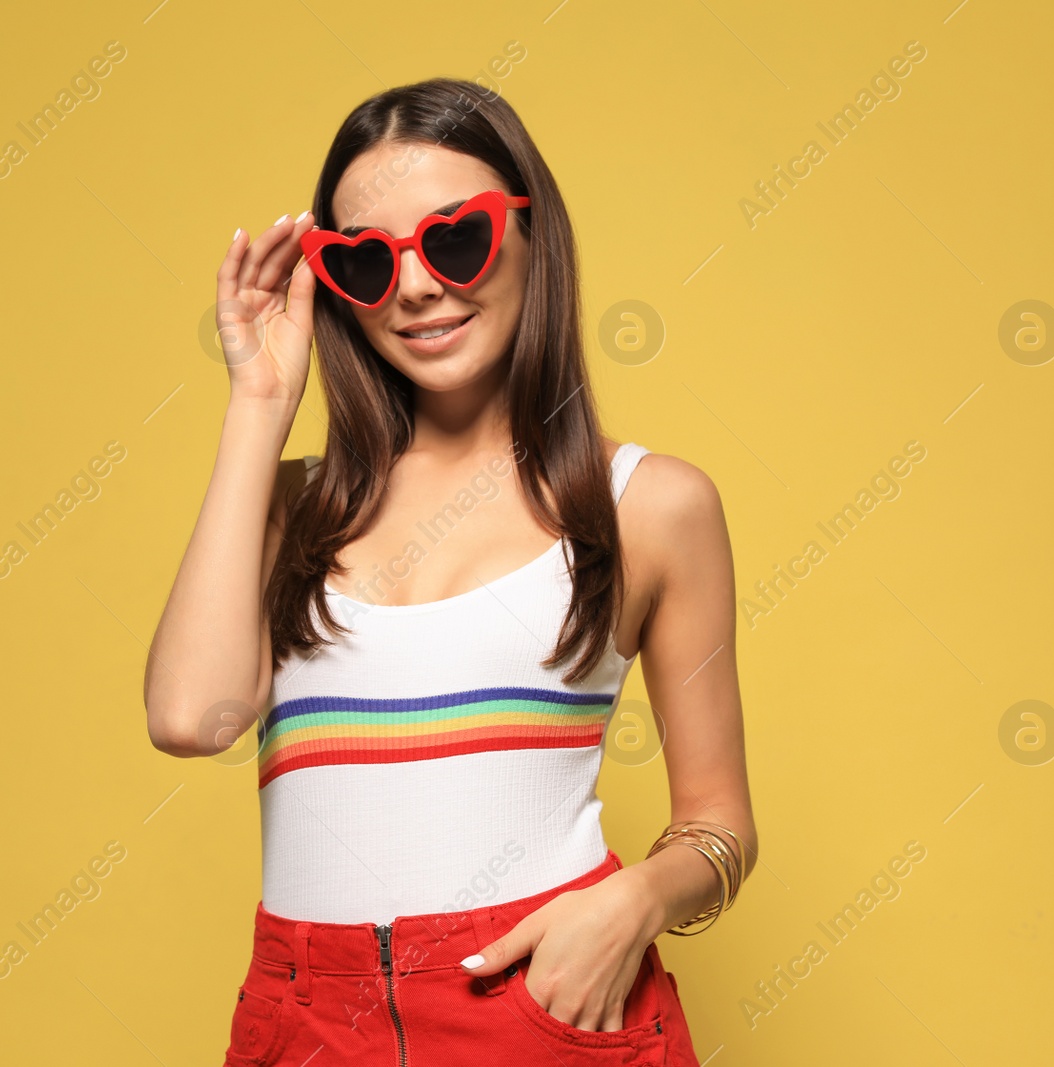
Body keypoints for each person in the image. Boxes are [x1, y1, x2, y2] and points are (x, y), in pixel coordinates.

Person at [145, 76, 757, 1066]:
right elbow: (191, 718)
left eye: (454, 238)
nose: (419, 286)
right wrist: (258, 403)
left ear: (530, 232)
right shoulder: (288, 506)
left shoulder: (649, 506)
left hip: (544, 1001)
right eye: (366, 263)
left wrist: (633, 902)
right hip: (304, 1016)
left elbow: (720, 823)